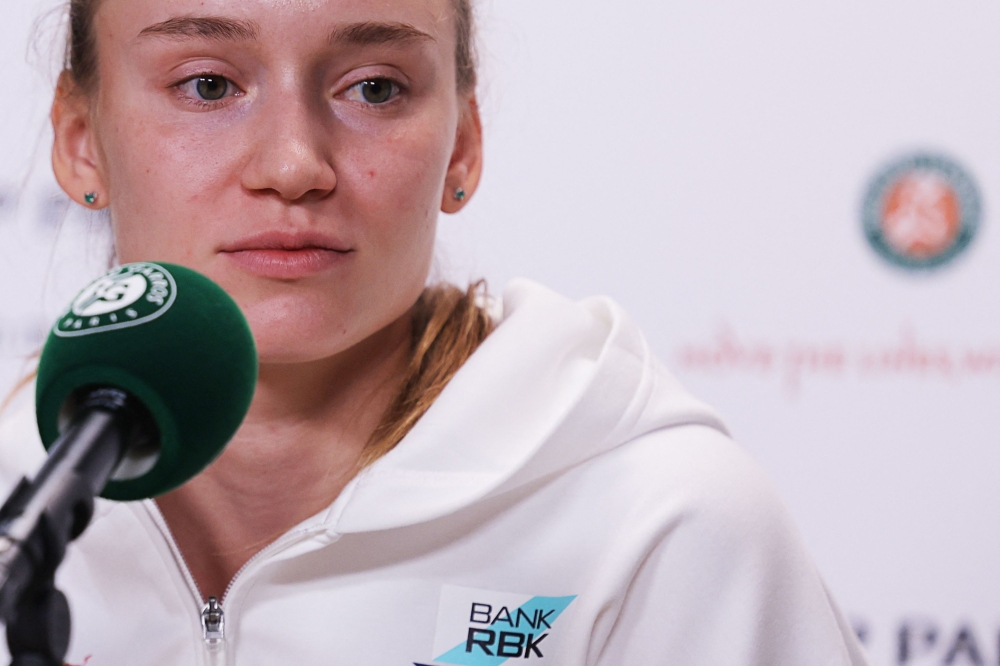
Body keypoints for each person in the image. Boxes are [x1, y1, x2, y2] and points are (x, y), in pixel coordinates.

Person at [0, 0, 871, 663]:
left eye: (374, 87)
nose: (293, 165)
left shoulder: (662, 523)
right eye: (208, 85)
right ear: (80, 141)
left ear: (462, 146)